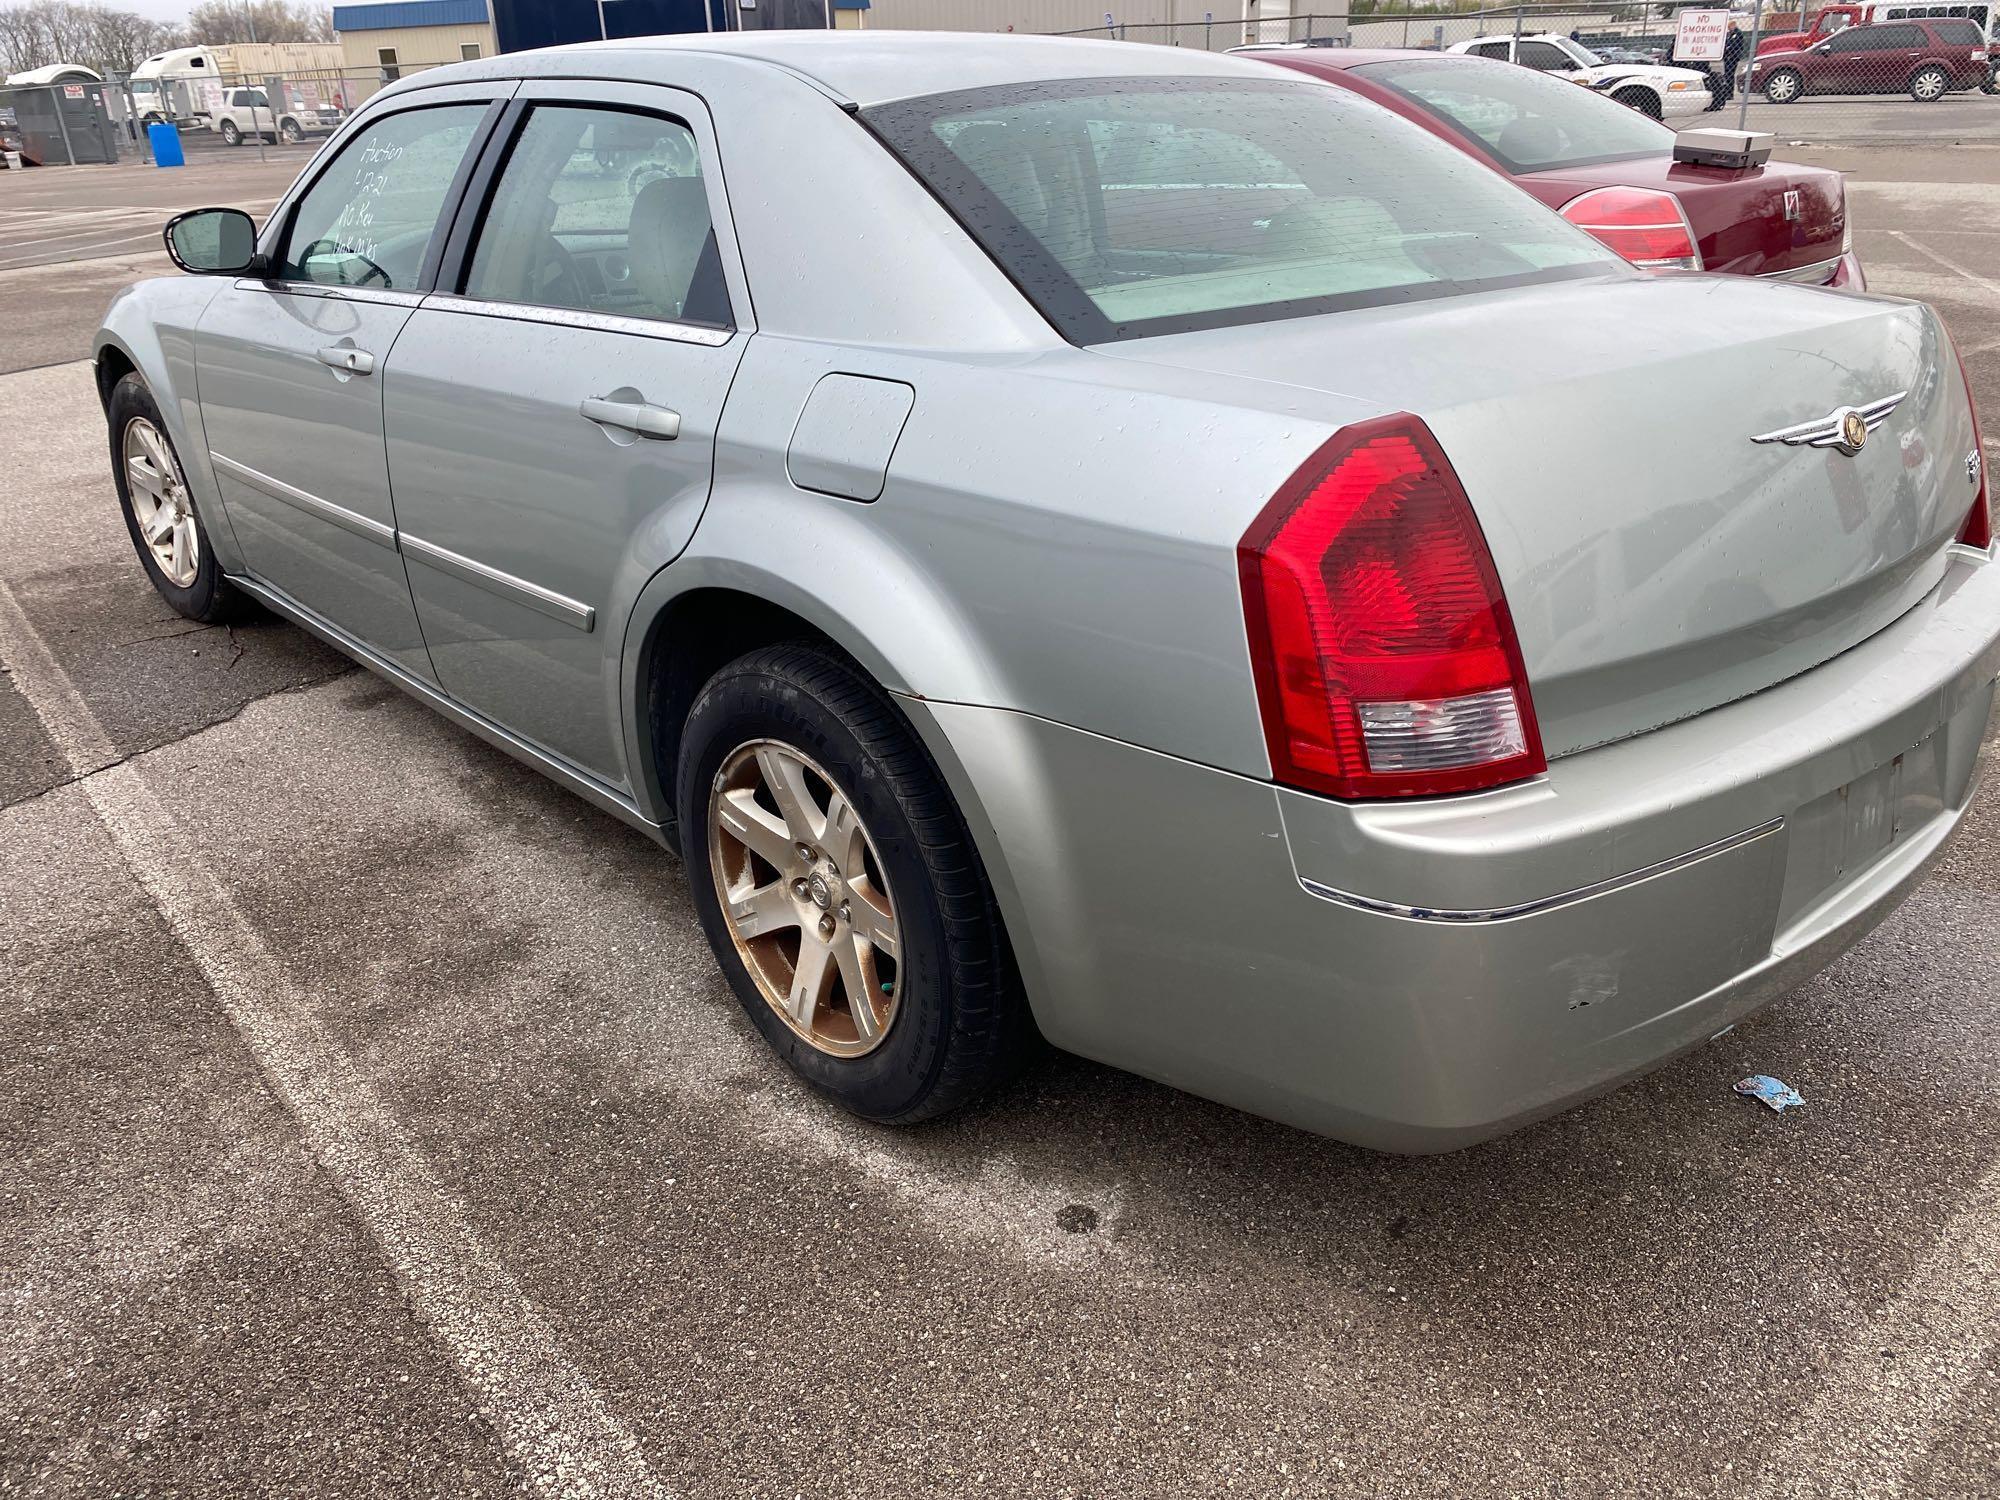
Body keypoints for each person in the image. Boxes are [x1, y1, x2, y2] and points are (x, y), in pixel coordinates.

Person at [1708, 19, 1747, 110]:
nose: (1728, 28)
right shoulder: (1729, 34)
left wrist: (1729, 48)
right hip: (1728, 57)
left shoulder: (1738, 33)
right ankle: (1727, 92)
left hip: (1733, 57)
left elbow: (1735, 45)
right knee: (1727, 74)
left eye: (1730, 26)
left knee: (1730, 74)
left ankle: (1730, 93)